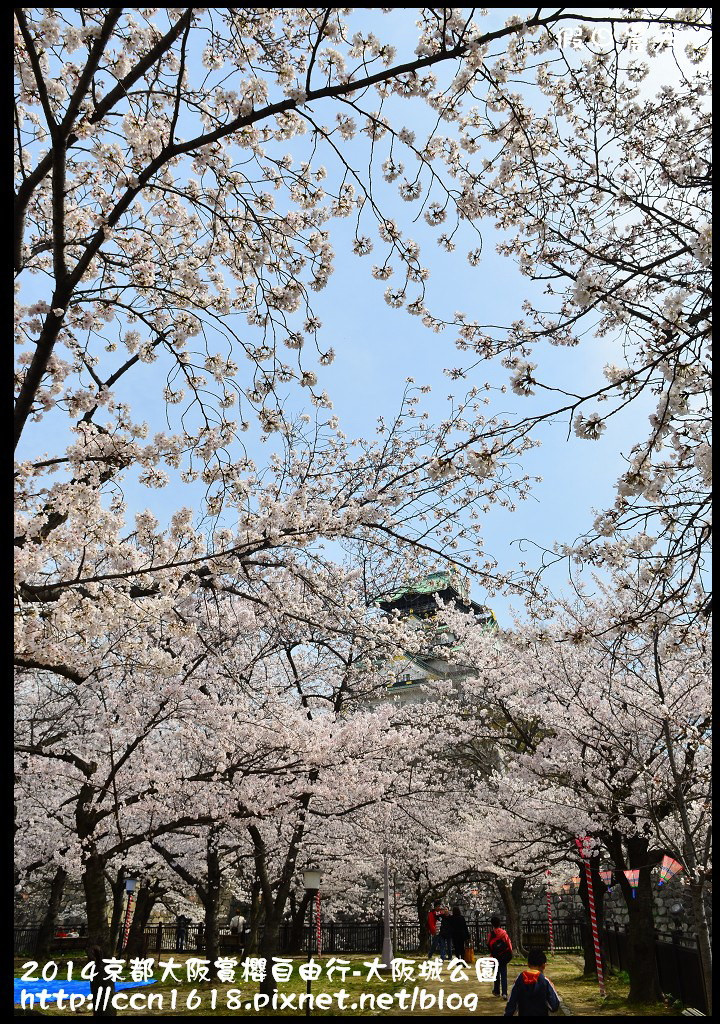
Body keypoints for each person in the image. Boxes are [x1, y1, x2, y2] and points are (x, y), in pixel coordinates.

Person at [504, 948, 560, 1017]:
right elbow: (554, 1006)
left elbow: (511, 1004)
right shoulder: (545, 981)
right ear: (543, 966)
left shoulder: (519, 979)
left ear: (528, 964)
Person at [487, 915, 513, 999]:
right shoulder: (504, 933)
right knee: (504, 974)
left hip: (495, 956)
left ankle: (496, 991)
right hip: (503, 956)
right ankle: (504, 993)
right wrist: (509, 953)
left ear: (492, 924)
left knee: (496, 974)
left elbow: (488, 944)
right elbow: (509, 944)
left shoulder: (491, 934)